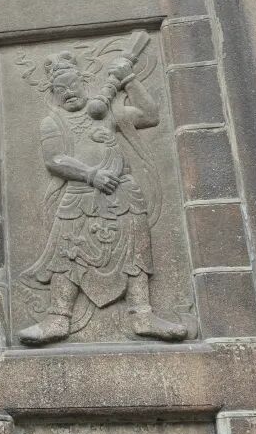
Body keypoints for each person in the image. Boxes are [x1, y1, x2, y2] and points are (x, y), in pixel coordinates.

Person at [18, 47, 186, 345]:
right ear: (53, 94)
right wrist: (90, 174)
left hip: (123, 194)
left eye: (73, 85)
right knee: (67, 254)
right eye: (60, 90)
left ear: (84, 82)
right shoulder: (52, 122)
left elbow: (150, 116)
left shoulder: (105, 111)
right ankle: (58, 318)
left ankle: (143, 315)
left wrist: (129, 80)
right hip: (80, 196)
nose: (69, 93)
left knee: (135, 252)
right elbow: (54, 159)